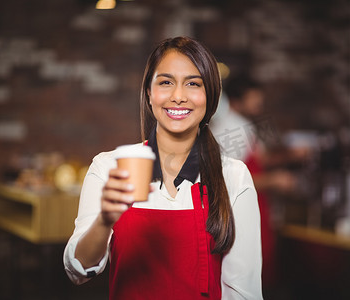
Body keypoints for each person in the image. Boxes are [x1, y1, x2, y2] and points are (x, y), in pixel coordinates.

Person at [63, 37, 263, 299]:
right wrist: (104, 220)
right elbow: (78, 271)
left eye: (193, 83)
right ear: (148, 92)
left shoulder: (234, 176)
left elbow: (243, 292)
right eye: (166, 82)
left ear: (210, 95)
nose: (178, 96)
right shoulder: (108, 167)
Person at [211, 75, 297, 293]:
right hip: (238, 213)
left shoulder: (244, 125)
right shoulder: (230, 129)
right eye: (253, 98)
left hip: (256, 207)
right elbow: (229, 180)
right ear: (237, 101)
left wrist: (293, 155)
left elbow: (260, 159)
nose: (259, 102)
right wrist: (275, 180)